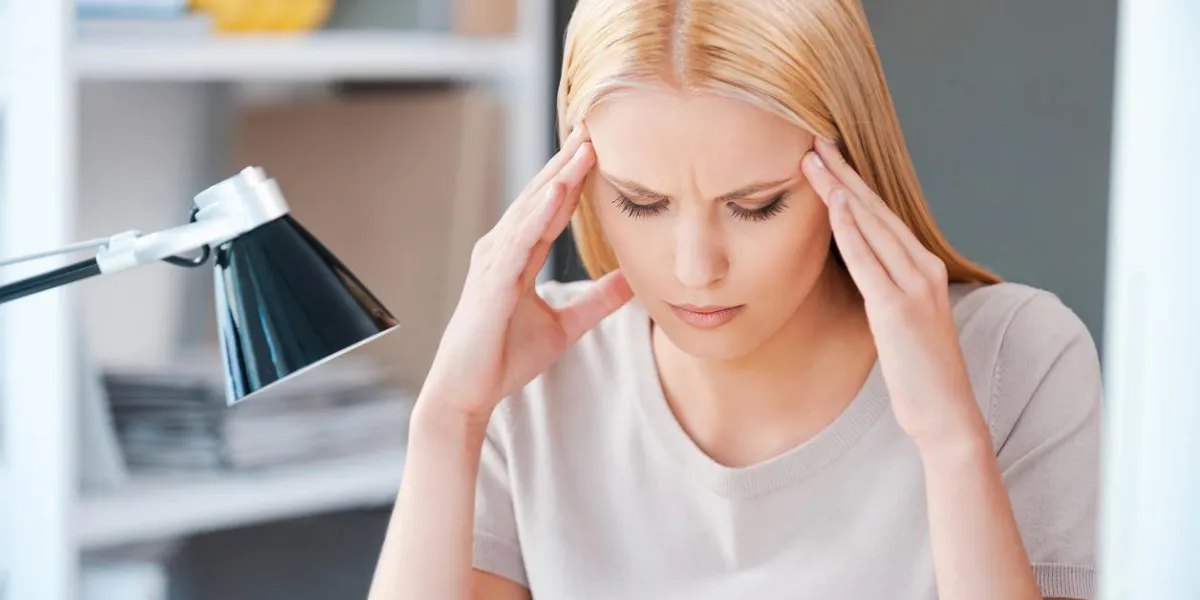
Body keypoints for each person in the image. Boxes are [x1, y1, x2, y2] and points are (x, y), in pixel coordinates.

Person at [366, 0, 1102, 598]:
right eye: (642, 202)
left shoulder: (1020, 356)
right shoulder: (527, 378)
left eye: (755, 205)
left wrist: (949, 438)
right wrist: (447, 422)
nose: (695, 269)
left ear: (849, 172)